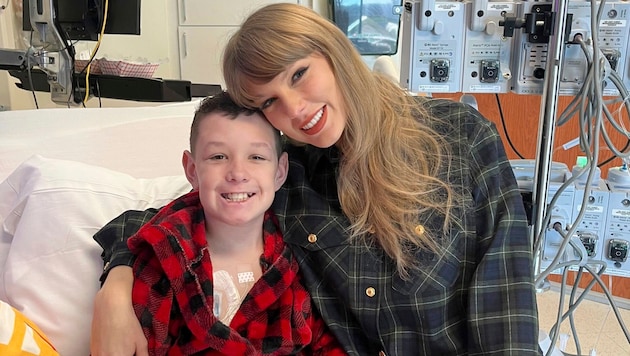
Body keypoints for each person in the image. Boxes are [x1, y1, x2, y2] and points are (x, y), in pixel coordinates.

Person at [91, 3, 541, 355]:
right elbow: (157, 221)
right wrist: (115, 291)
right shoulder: (292, 177)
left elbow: (507, 309)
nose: (294, 110)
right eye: (269, 102)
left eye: (299, 75)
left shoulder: (459, 137)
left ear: (333, 51)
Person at [98, 91, 345, 355]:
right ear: (192, 170)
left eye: (257, 157)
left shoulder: (302, 259)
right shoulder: (161, 261)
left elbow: (328, 342)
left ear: (280, 171)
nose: (238, 173)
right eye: (218, 157)